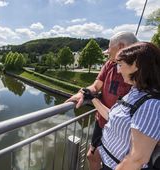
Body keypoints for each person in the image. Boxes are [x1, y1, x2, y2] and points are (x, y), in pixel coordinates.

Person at [65, 31, 138, 170]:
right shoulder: (110, 64)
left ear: (121, 47)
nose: (107, 52)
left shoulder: (143, 72)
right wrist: (82, 93)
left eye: (110, 47)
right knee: (92, 156)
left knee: (115, 162)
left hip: (124, 130)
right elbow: (96, 86)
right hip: (102, 122)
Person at [89, 42, 160, 170]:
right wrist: (92, 98)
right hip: (108, 161)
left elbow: (137, 159)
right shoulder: (136, 92)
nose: (118, 70)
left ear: (136, 65)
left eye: (120, 65)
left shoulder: (152, 104)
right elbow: (112, 116)